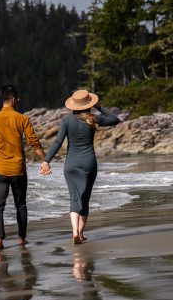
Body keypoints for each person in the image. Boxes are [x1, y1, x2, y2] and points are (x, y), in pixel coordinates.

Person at [42, 89, 120, 243]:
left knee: (74, 198)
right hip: (88, 163)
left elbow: (58, 142)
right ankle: (81, 233)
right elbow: (114, 119)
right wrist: (99, 107)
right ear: (89, 105)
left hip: (71, 164)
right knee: (85, 198)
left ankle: (74, 231)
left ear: (73, 106)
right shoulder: (94, 119)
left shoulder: (66, 120)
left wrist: (47, 161)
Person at [0, 84, 48, 250]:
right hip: (18, 169)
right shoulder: (22, 119)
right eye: (17, 99)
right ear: (13, 99)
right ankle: (21, 238)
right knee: (20, 204)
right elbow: (34, 141)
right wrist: (45, 159)